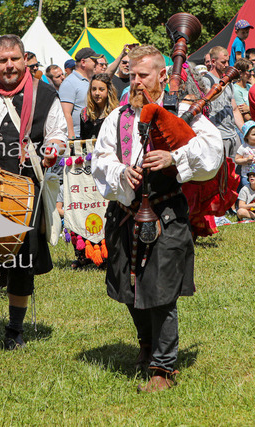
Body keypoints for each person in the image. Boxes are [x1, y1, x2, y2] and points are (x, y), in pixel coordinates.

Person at [91, 44, 223, 392]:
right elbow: (100, 159)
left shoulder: (181, 113)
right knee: (129, 287)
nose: (135, 82)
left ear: (163, 75)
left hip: (165, 211)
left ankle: (163, 369)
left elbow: (213, 150)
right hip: (125, 213)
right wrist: (120, 172)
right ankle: (146, 345)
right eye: (131, 75)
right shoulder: (118, 117)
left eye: (143, 75)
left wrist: (173, 158)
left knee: (161, 290)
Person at [0, 34, 67, 350]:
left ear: (25, 60)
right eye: (3, 60)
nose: (9, 65)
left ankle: (15, 329)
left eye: (15, 59)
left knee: (22, 261)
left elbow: (58, 134)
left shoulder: (45, 94)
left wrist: (52, 149)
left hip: (24, 188)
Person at [201, 46, 243, 158]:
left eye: (228, 61)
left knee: (237, 168)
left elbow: (234, 109)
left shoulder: (228, 81)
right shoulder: (206, 80)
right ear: (213, 62)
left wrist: (245, 131)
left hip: (233, 135)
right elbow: (209, 98)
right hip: (217, 135)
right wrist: (224, 83)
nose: (227, 65)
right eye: (223, 62)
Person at [59, 48, 103, 139]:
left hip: (93, 135)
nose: (97, 63)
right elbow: (66, 113)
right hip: (79, 137)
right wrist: (72, 138)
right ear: (83, 62)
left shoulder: (92, 80)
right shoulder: (69, 82)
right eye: (94, 61)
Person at [80, 73, 119, 139]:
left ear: (108, 90)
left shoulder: (116, 112)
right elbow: (83, 138)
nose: (97, 93)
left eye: (101, 89)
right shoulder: (85, 113)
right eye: (94, 89)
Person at [235, 121, 255, 187]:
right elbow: (237, 160)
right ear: (246, 136)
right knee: (248, 191)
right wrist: (246, 160)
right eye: (254, 134)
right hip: (247, 176)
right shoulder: (243, 147)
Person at [234, 58, 252, 122]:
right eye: (249, 71)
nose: (252, 73)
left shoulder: (250, 87)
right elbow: (246, 116)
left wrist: (249, 109)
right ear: (241, 73)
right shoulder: (236, 90)